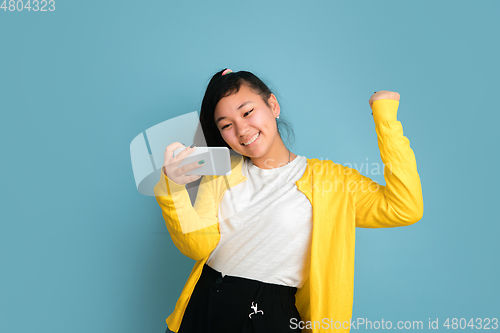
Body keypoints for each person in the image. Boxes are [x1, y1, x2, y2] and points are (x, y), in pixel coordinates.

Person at [154, 68, 423, 333]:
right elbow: (197, 247)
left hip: (267, 315)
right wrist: (173, 188)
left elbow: (405, 207)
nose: (242, 129)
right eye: (226, 125)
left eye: (247, 112)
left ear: (272, 105)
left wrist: (386, 119)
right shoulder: (221, 172)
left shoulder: (333, 181)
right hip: (198, 310)